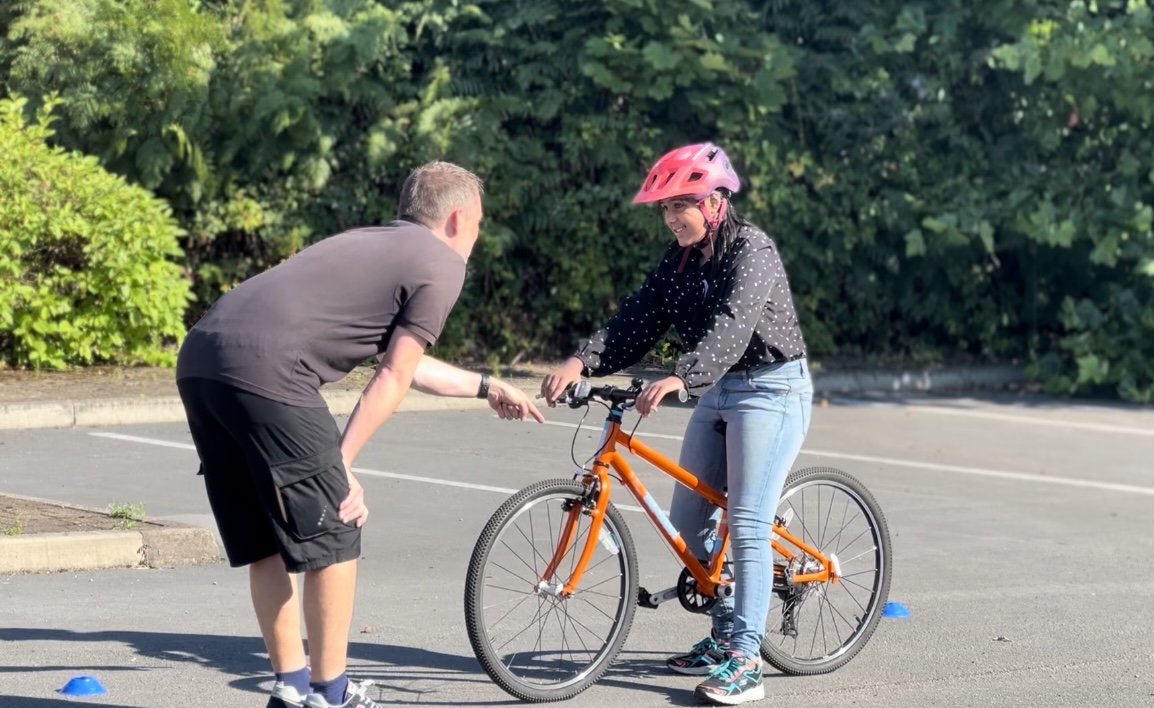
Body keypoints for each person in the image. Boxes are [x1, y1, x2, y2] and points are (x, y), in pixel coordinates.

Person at [175, 161, 545, 708]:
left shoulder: (369, 243)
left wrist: (487, 386)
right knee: (337, 533)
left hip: (201, 361)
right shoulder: (441, 263)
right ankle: (331, 693)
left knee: (266, 543)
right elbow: (393, 375)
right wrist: (341, 463)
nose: (476, 237)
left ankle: (291, 688)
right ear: (458, 218)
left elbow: (405, 362)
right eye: (479, 224)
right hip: (269, 371)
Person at [541, 143, 813, 705]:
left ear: (715, 202)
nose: (670, 218)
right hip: (717, 388)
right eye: (663, 209)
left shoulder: (752, 250)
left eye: (679, 206)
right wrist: (582, 360)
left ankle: (745, 660)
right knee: (690, 518)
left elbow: (733, 328)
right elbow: (637, 319)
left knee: (746, 520)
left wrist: (682, 377)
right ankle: (723, 630)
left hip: (772, 389)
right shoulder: (679, 261)